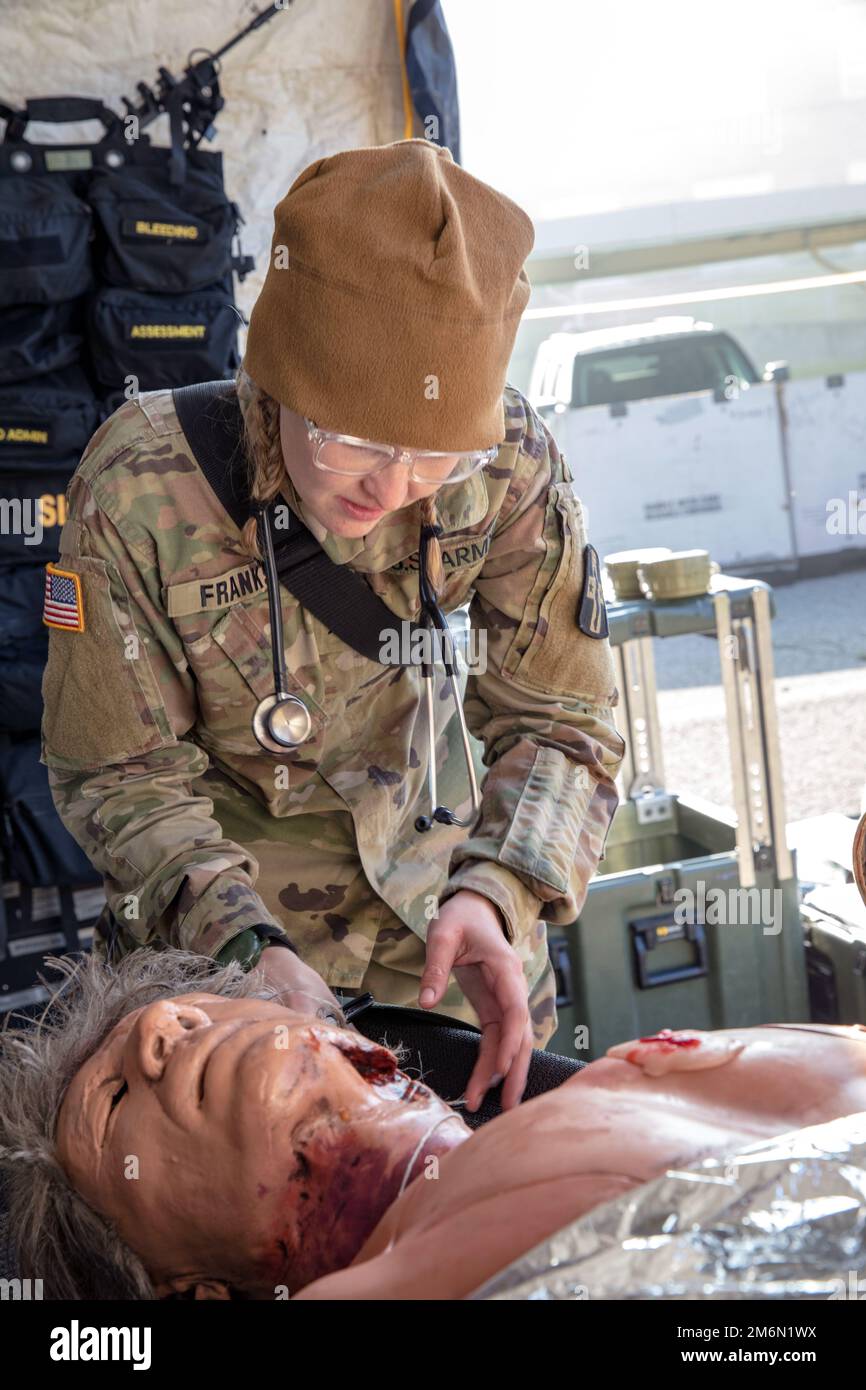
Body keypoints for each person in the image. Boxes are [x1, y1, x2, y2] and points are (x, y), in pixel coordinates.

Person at [39, 137, 625, 1106]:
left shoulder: (510, 464)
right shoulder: (142, 486)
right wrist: (240, 942)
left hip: (450, 944)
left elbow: (562, 718)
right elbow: (119, 770)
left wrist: (499, 887)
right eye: (352, 441)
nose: (391, 486)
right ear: (281, 380)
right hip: (219, 966)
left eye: (433, 457)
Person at [2, 947, 866, 1301]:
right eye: (115, 1104)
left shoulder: (627, 1073)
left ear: (358, 1044)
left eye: (200, 1012)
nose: (164, 1033)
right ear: (195, 1291)